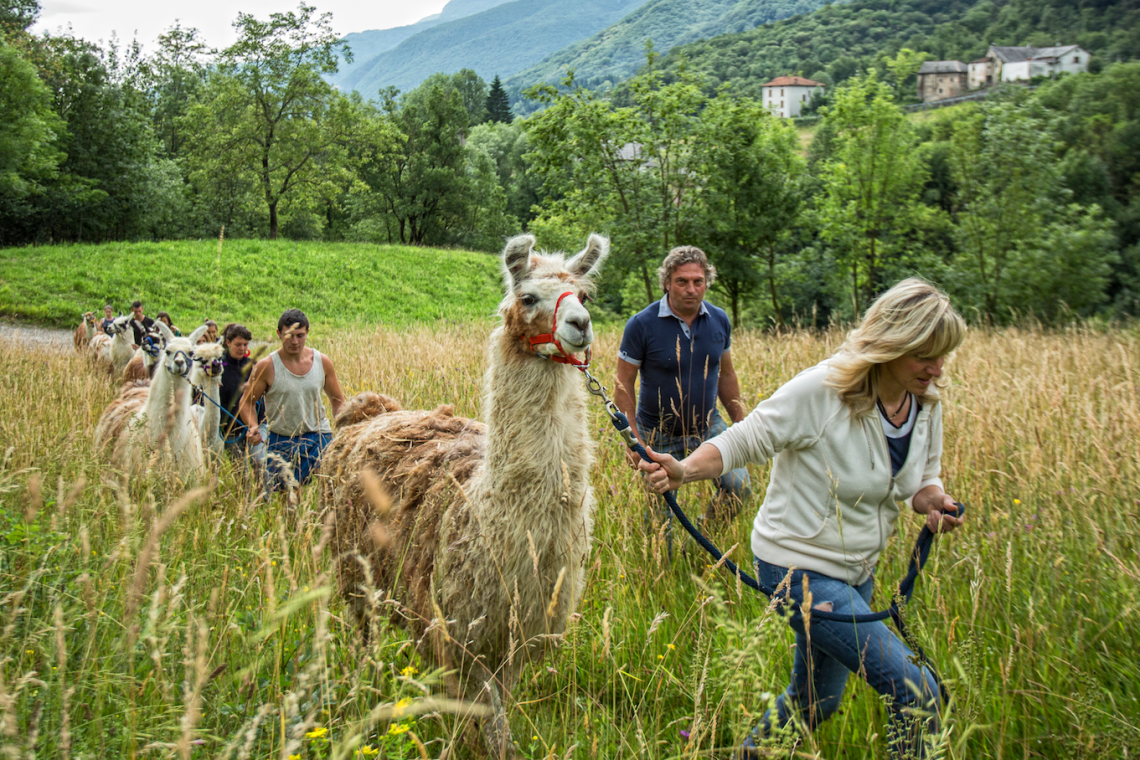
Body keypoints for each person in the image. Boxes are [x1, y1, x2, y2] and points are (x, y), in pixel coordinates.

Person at [639, 279, 966, 758]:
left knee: (815, 702)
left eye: (944, 356)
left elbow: (921, 481)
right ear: (891, 343)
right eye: (925, 356)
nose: (936, 369)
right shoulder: (822, 389)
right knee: (918, 692)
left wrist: (934, 500)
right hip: (797, 569)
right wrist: (684, 470)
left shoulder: (925, 401)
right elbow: (744, 439)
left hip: (856, 573)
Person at [614, 246, 750, 533]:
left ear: (706, 283)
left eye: (697, 281)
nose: (691, 289)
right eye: (682, 281)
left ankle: (701, 543)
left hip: (708, 428)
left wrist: (742, 425)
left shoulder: (719, 320)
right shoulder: (641, 324)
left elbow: (726, 375)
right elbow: (623, 383)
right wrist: (634, 442)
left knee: (739, 489)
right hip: (659, 435)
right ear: (667, 282)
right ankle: (668, 558)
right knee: (660, 525)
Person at [238, 309, 345, 492]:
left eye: (299, 335)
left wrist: (345, 430)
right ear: (279, 334)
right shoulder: (266, 367)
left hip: (318, 436)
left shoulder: (322, 362)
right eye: (289, 336)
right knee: (288, 501)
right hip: (282, 440)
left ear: (307, 333)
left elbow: (337, 401)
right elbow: (246, 402)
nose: (294, 342)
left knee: (329, 489)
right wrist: (253, 426)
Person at [218, 323, 266, 468]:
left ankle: (262, 490)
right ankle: (244, 492)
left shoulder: (255, 366)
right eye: (238, 344)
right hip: (232, 429)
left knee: (259, 462)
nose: (242, 349)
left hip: (256, 424)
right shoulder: (217, 367)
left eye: (245, 344)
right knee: (240, 471)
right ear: (228, 342)